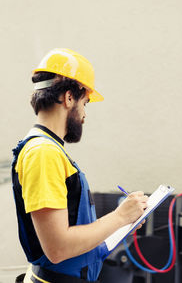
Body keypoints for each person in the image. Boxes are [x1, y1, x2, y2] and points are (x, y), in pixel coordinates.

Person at [11, 48, 148, 283]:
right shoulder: (43, 153)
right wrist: (118, 216)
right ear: (69, 97)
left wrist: (122, 224)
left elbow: (71, 240)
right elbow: (57, 248)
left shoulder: (51, 150)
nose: (85, 114)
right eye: (86, 102)